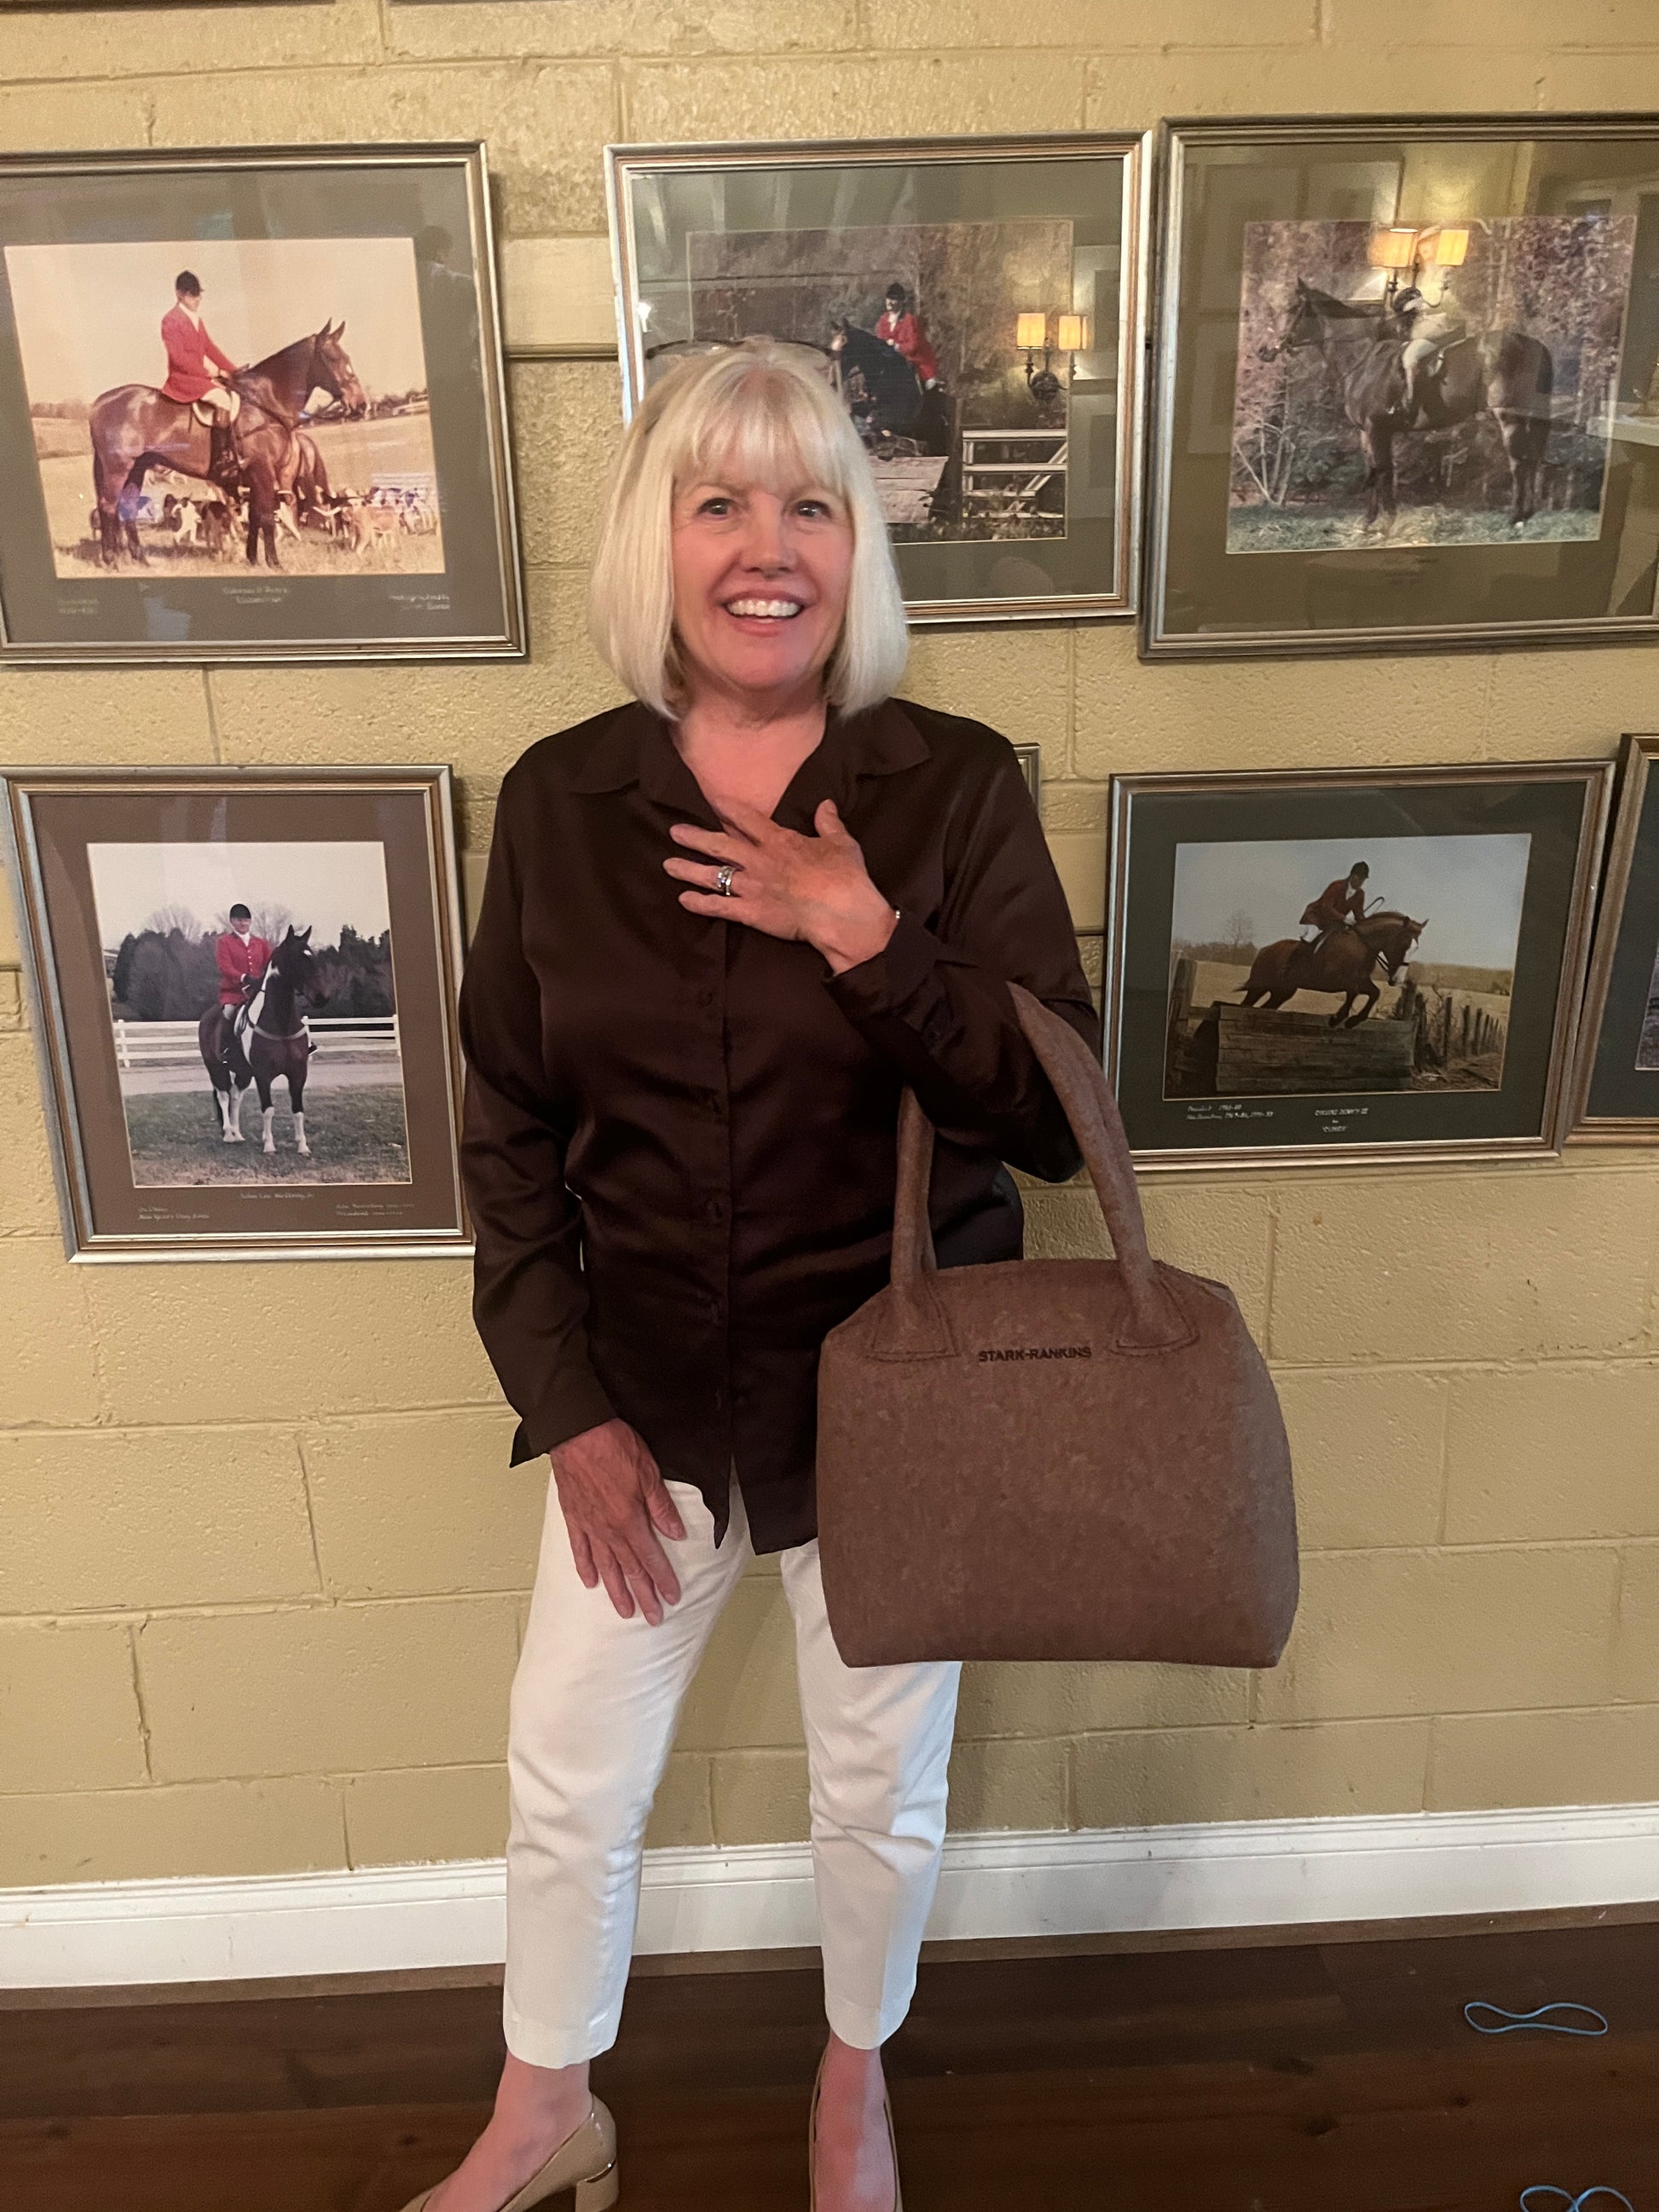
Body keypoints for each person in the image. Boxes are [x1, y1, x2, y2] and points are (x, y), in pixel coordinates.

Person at [420, 339, 1095, 2212]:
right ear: (661, 538)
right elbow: (506, 1134)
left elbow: (1051, 1114)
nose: (765, 543)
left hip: (896, 1403)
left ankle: (851, 2083)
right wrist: (566, 1410)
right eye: (718, 498)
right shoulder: (559, 801)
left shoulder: (949, 790)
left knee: (875, 1787)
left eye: (809, 500)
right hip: (641, 1399)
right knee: (566, 1773)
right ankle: (546, 2105)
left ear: (854, 543)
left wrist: (863, 934)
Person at [160, 270, 240, 480]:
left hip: (198, 377)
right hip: (183, 380)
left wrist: (233, 371)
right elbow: (178, 358)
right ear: (180, 294)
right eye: (192, 294)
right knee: (223, 400)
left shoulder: (197, 320)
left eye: (198, 294)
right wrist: (209, 372)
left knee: (235, 393)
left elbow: (210, 349)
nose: (197, 299)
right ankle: (220, 458)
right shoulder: (171, 320)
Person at [1391, 280, 1467, 426]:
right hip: (1422, 330)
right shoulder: (1407, 314)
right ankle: (1408, 390)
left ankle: (1411, 398)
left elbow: (1421, 310)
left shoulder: (1420, 307)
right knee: (1407, 352)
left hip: (1429, 332)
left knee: (1410, 357)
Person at [214, 904, 270, 1053]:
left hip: (257, 991)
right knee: (229, 1012)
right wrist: (244, 977)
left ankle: (303, 1043)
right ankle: (227, 1048)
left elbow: (268, 965)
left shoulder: (261, 943)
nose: (244, 923)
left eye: (246, 920)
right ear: (232, 922)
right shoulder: (224, 942)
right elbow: (225, 967)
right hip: (233, 992)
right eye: (239, 920)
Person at [874, 280, 939, 388]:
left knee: (929, 388)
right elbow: (880, 342)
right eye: (888, 298)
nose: (890, 302)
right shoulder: (883, 321)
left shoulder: (910, 320)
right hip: (893, 362)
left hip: (918, 362)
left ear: (901, 302)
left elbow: (912, 346)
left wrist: (895, 346)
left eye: (894, 299)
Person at [1298, 863, 1376, 951]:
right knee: (1311, 936)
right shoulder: (1336, 886)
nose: (1362, 883)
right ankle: (1293, 961)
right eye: (1361, 879)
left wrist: (1368, 924)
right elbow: (1326, 907)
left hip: (1333, 923)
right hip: (1316, 917)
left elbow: (1359, 915)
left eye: (1363, 880)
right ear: (1353, 876)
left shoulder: (1360, 894)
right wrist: (1344, 918)